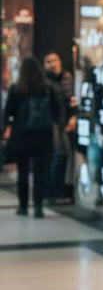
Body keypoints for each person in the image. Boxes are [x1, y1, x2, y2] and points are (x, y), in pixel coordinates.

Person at [2, 56, 62, 217]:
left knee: (22, 172)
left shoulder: (16, 89)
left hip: (22, 136)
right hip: (43, 135)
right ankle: (38, 207)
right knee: (39, 172)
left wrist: (6, 129)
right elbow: (57, 112)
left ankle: (23, 206)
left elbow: (8, 112)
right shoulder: (47, 88)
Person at [43, 52, 75, 204]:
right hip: (52, 123)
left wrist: (73, 116)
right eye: (48, 61)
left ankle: (58, 190)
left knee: (63, 155)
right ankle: (52, 192)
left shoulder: (67, 78)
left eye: (54, 60)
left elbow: (71, 98)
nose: (52, 64)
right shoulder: (44, 80)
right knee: (58, 154)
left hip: (65, 122)